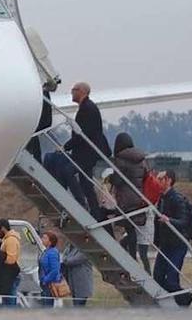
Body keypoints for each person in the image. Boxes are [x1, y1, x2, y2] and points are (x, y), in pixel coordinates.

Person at [63, 82, 111, 218]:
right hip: (86, 152)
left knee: (68, 171)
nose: (71, 92)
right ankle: (95, 213)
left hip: (87, 153)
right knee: (86, 184)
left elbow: (83, 134)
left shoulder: (87, 108)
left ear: (82, 91)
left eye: (74, 90)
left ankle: (81, 203)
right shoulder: (86, 107)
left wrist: (66, 146)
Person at [152, 170, 192, 307]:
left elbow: (184, 221)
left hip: (178, 244)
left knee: (171, 279)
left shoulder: (177, 198)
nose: (157, 181)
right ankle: (180, 299)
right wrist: (156, 241)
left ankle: (184, 300)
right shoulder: (162, 198)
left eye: (160, 179)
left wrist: (169, 220)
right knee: (157, 276)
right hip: (165, 244)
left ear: (169, 180)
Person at [111, 132, 149, 259]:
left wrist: (110, 178)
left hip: (126, 199)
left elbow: (117, 180)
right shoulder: (141, 159)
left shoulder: (120, 159)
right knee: (132, 229)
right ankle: (131, 255)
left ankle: (131, 257)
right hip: (139, 197)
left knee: (129, 229)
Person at [0, 219, 22, 306]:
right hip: (8, 273)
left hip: (10, 274)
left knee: (9, 300)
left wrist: (0, 261)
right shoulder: (6, 239)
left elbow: (11, 259)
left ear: (3, 228)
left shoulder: (11, 240)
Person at [61, 241, 93, 307]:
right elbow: (63, 257)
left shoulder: (85, 248)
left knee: (79, 304)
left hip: (83, 282)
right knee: (75, 304)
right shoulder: (69, 246)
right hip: (73, 282)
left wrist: (66, 260)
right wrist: (65, 260)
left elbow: (74, 260)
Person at [39, 231, 62, 307]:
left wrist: (46, 280)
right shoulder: (46, 251)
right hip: (44, 283)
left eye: (45, 238)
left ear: (50, 241)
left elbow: (55, 270)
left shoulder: (53, 253)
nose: (42, 239)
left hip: (50, 284)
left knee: (48, 305)